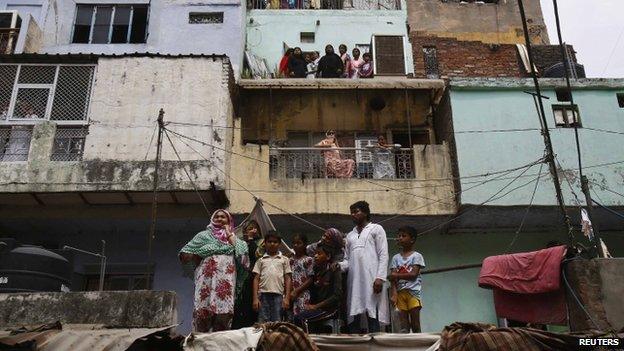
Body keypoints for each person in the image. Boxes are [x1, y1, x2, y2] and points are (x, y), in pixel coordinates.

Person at [179, 209, 249, 332]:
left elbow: (244, 259)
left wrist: (229, 233)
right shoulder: (203, 236)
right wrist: (197, 255)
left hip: (225, 283)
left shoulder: (236, 240)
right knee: (202, 314)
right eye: (217, 217)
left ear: (229, 220)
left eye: (223, 217)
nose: (220, 219)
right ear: (212, 219)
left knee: (223, 316)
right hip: (205, 281)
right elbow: (184, 254)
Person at [340, 201, 389, 333]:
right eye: (351, 213)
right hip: (354, 283)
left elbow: (383, 254)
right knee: (354, 317)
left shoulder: (376, 229)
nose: (353, 215)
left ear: (366, 212)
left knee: (372, 316)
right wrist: (337, 266)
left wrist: (380, 278)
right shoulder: (350, 236)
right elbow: (347, 260)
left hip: (372, 280)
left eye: (356, 211)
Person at [294, 245, 343, 332]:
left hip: (330, 309)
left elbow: (337, 296)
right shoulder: (316, 271)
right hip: (318, 308)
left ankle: (307, 343)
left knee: (301, 319)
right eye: (315, 253)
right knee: (297, 316)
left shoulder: (334, 269)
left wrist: (316, 306)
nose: (315, 256)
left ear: (328, 256)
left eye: (319, 254)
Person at [389, 226, 425, 333]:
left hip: (413, 293)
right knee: (404, 327)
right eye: (399, 236)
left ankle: (419, 347)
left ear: (412, 239)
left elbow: (413, 274)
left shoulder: (417, 256)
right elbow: (392, 279)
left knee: (415, 324)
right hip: (400, 294)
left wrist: (396, 275)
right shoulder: (395, 258)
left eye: (403, 236)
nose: (400, 238)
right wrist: (394, 294)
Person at [253, 231, 292, 322]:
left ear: (279, 244)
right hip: (263, 295)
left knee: (277, 322)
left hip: (278, 295)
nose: (272, 244)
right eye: (269, 241)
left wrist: (287, 298)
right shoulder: (261, 260)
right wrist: (255, 298)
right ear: (265, 243)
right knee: (262, 322)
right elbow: (256, 279)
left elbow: (288, 279)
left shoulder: (284, 260)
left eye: (275, 242)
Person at [232, 220, 262, 329]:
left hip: (255, 279)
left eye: (255, 229)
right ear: (244, 232)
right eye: (249, 229)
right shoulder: (239, 244)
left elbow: (255, 255)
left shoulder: (262, 243)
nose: (253, 231)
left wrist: (251, 239)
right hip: (241, 279)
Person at [289, 233, 314, 320]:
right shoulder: (290, 259)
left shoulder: (308, 260)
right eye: (294, 243)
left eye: (299, 243)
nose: (296, 245)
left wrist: (297, 290)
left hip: (302, 293)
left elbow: (311, 279)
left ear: (305, 245)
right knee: (289, 317)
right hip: (290, 293)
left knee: (301, 318)